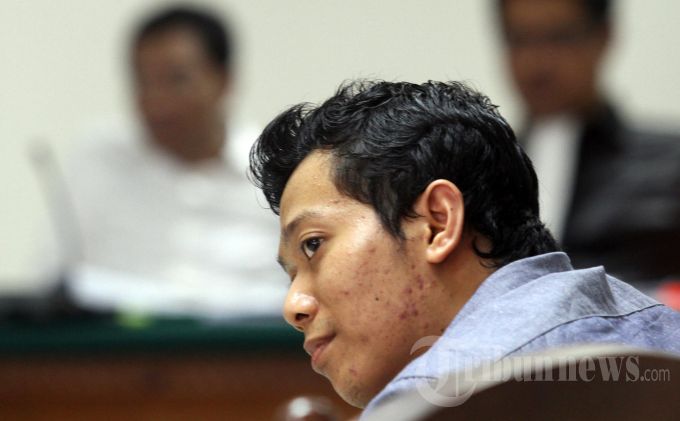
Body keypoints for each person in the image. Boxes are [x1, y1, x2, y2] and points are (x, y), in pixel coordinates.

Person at [248, 80, 680, 416]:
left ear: (438, 222)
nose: (293, 307)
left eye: (313, 245)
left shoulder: (439, 396)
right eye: (290, 275)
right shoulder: (659, 333)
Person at [58, 6, 284, 317]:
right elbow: (52, 281)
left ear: (224, 81)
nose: (156, 102)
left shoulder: (275, 171)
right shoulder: (98, 158)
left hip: (246, 345)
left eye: (176, 80)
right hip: (117, 345)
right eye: (143, 81)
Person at [497, 0, 680, 282]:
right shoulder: (485, 175)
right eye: (519, 39)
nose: (536, 63)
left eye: (560, 38)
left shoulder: (670, 169)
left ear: (604, 36)